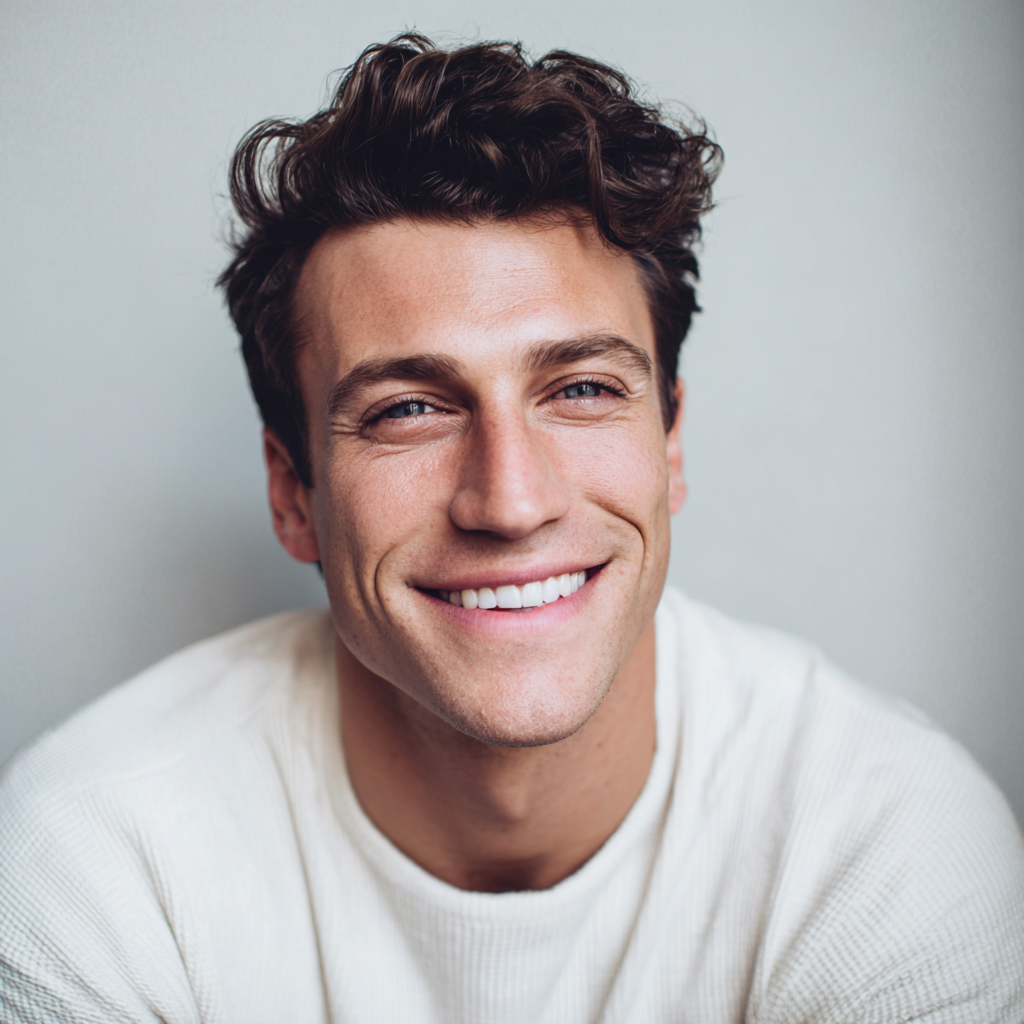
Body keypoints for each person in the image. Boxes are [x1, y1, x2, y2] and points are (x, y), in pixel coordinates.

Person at [1, 33, 1022, 1024]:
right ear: (293, 494)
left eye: (581, 389)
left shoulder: (887, 845)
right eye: (409, 408)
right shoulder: (93, 863)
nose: (511, 500)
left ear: (669, 445)